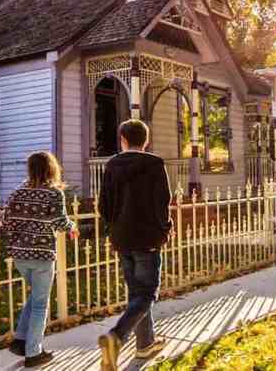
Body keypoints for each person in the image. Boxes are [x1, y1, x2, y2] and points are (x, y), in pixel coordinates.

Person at [97, 119, 172, 371]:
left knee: (136, 293)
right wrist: (165, 229)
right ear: (146, 140)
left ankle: (145, 344)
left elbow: (104, 205)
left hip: (122, 238)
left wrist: (112, 230)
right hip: (147, 237)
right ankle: (116, 336)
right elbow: (162, 202)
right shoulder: (154, 164)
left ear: (123, 140)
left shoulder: (112, 165)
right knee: (147, 294)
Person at [2, 152, 78, 367]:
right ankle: (34, 353)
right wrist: (73, 227)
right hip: (42, 255)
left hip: (20, 255)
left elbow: (6, 221)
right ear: (51, 168)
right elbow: (60, 222)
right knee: (40, 304)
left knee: (35, 296)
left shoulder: (17, 192)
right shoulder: (53, 193)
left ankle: (20, 341)